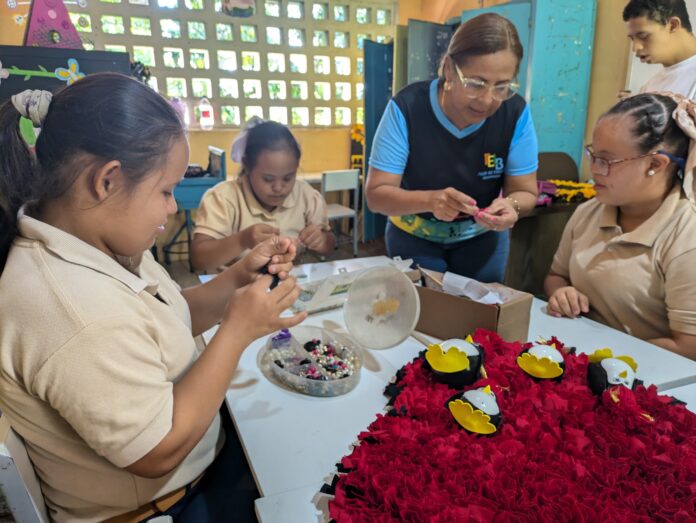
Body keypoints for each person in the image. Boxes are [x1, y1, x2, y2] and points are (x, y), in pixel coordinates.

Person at [0, 74, 306, 522]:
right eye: (165, 191)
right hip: (161, 505)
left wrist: (240, 277)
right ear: (106, 181)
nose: (171, 207)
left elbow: (170, 315)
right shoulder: (70, 309)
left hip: (195, 465)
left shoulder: (97, 240)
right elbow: (157, 450)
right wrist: (238, 330)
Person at [364, 13, 538, 283]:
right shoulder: (407, 108)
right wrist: (430, 201)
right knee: (423, 315)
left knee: (479, 317)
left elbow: (525, 191)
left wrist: (512, 205)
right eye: (475, 84)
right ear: (448, 68)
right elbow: (376, 196)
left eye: (502, 86)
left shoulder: (515, 113)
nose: (488, 100)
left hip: (483, 243)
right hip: (413, 238)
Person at [545, 93, 696, 360]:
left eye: (607, 161)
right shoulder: (589, 212)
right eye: (592, 155)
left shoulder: (686, 235)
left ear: (655, 164)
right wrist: (560, 293)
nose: (593, 170)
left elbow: (688, 347)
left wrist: (601, 358)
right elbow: (556, 275)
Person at [191, 119, 335, 271]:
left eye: (288, 178)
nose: (279, 188)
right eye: (268, 179)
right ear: (247, 166)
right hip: (236, 289)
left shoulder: (306, 196)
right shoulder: (223, 198)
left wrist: (322, 240)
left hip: (289, 284)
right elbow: (199, 259)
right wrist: (242, 240)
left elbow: (329, 246)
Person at [624, 0, 696, 98]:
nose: (636, 47)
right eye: (632, 39)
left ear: (672, 25)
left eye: (643, 36)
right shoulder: (649, 87)